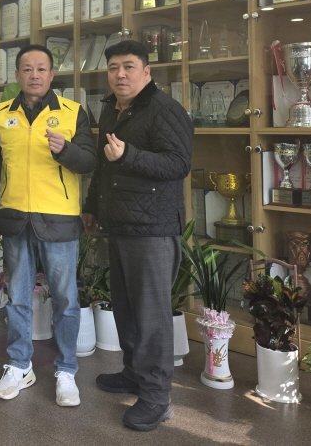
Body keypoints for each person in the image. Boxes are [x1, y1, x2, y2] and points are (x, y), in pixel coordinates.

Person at [81, 39, 193, 432]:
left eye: (128, 67)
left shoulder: (164, 110)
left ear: (147, 72)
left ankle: (157, 397)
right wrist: (92, 206)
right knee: (126, 308)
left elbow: (178, 164)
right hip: (121, 225)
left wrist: (129, 154)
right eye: (113, 68)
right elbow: (103, 165)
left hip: (153, 230)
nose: (120, 75)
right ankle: (133, 373)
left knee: (151, 317)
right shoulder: (111, 108)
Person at [0, 44, 96, 407]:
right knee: (17, 297)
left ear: (51, 74)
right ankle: (19, 365)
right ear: (17, 75)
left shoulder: (73, 112)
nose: (34, 75)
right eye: (27, 69)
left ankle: (66, 370)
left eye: (41, 69)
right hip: (15, 217)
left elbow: (89, 162)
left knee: (65, 298)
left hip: (58, 218)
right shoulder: (1, 113)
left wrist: (66, 150)